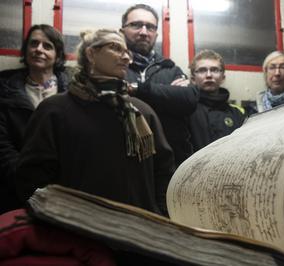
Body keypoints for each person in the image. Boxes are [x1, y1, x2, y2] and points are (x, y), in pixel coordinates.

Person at [16, 29, 175, 216]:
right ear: (91, 54)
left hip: (138, 229)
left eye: (127, 52)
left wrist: (158, 214)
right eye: (116, 48)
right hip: (74, 229)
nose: (126, 58)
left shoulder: (142, 112)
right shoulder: (54, 110)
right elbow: (32, 176)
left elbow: (164, 171)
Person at [0, 24, 69, 214]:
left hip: (63, 191)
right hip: (12, 185)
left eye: (47, 46)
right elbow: (2, 144)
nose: (38, 49)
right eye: (34, 44)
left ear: (57, 55)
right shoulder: (4, 89)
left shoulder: (73, 91)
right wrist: (23, 178)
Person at [121, 4, 199, 167]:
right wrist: (166, 95)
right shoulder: (114, 65)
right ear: (122, 31)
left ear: (156, 34)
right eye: (136, 25)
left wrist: (135, 89)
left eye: (150, 27)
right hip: (123, 159)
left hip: (170, 162)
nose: (143, 32)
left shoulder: (170, 68)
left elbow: (188, 99)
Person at [188, 50, 246, 152]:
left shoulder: (238, 113)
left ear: (223, 77)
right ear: (193, 79)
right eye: (202, 70)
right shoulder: (186, 110)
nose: (209, 75)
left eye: (214, 70)